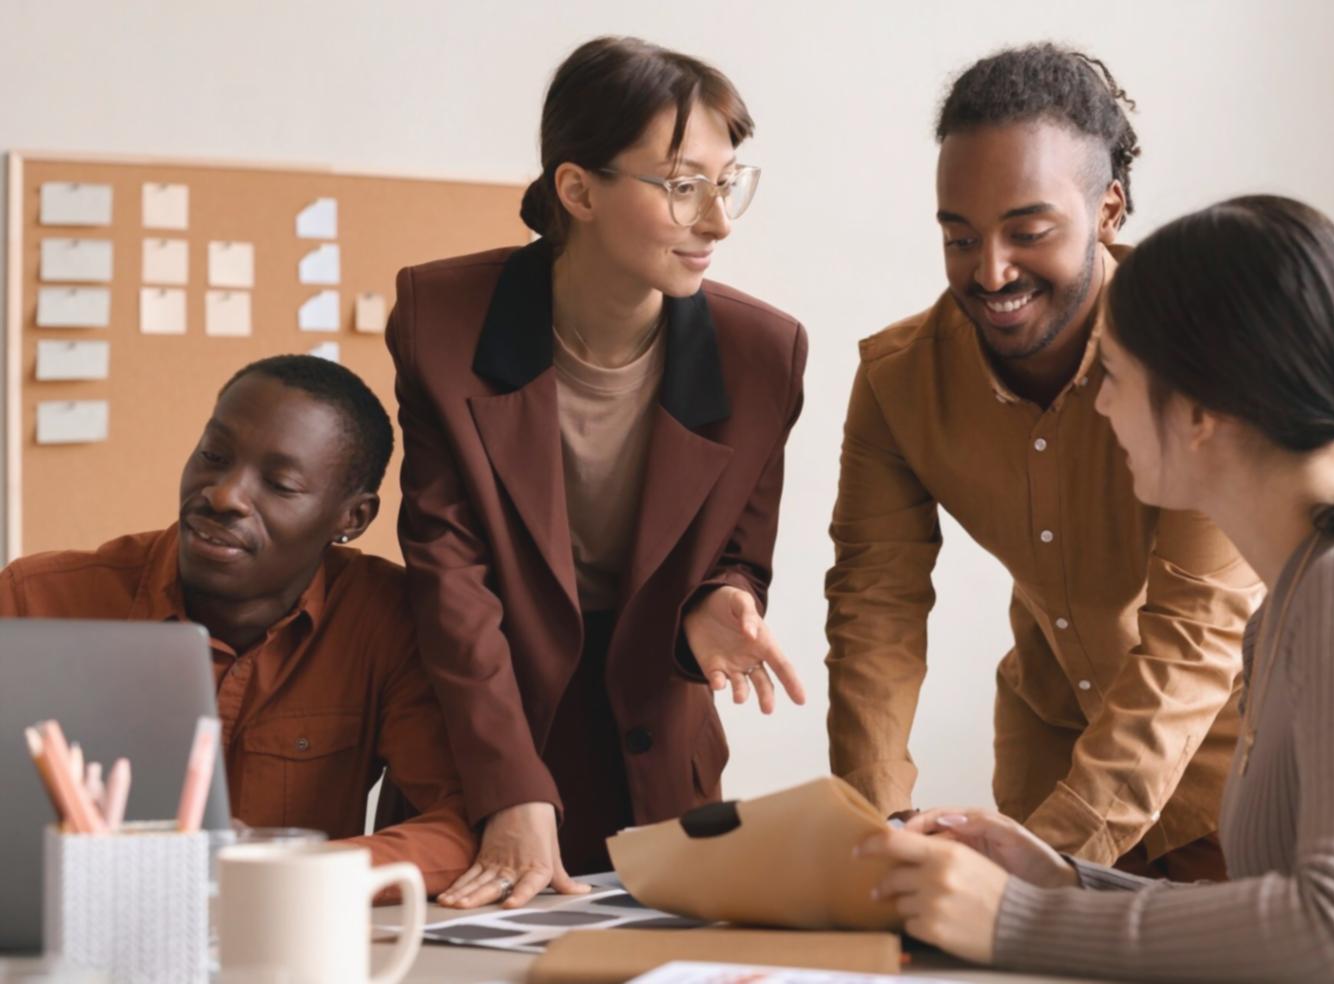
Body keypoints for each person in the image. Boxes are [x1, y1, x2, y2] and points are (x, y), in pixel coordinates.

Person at [859, 195, 1334, 982]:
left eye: (1111, 373)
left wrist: (1020, 918)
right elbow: (1288, 915)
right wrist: (1063, 878)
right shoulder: (1299, 594)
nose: (1101, 402)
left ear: (1200, 411)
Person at [388, 36, 808, 910]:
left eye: (726, 185)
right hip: (490, 722)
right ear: (577, 189)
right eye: (682, 186)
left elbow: (739, 550)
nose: (717, 223)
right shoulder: (442, 322)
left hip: (657, 730)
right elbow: (449, 576)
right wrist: (510, 785)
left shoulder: (763, 355)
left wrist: (718, 598)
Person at [825, 43, 1259, 880]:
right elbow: (873, 606)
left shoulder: (1201, 362)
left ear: (1108, 210)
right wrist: (877, 820)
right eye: (959, 238)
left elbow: (1194, 634)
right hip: (1047, 758)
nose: (989, 272)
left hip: (1236, 771)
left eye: (1027, 232)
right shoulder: (897, 379)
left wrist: (1046, 857)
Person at [0, 355, 477, 897]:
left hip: (278, 946)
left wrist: (277, 869)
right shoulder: (34, 599)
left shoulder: (383, 619)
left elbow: (463, 825)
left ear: (352, 518)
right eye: (213, 456)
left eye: (280, 484)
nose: (223, 495)